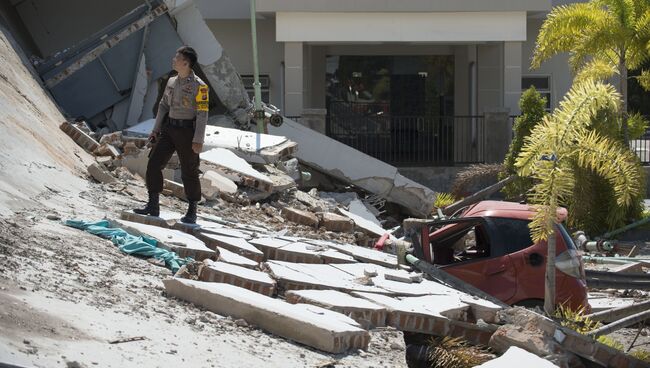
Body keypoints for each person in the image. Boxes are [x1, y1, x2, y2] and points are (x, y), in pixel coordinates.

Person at [134, 46, 209, 224]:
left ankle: (192, 210)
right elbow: (163, 106)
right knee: (153, 164)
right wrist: (155, 130)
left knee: (189, 171)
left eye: (177, 57)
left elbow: (202, 113)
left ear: (186, 62)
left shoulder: (201, 87)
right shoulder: (171, 81)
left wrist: (198, 139)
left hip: (187, 132)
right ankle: (153, 205)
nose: (173, 59)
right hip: (169, 129)